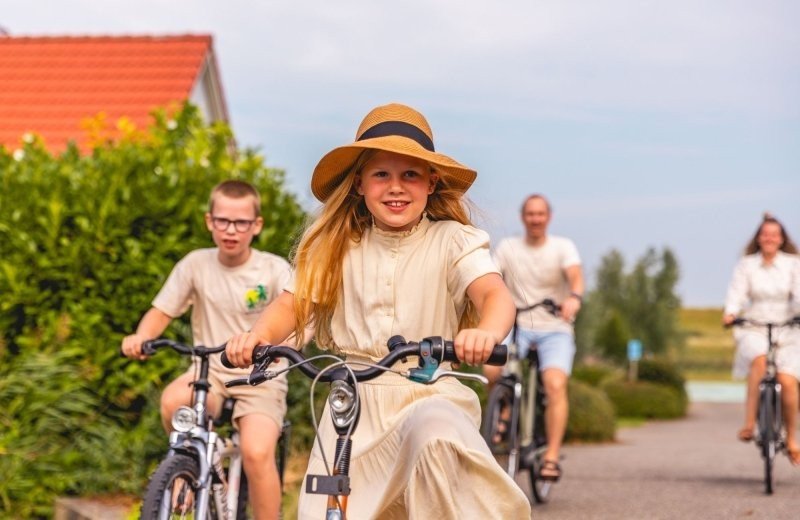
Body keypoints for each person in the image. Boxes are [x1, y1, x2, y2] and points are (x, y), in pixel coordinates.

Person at [225, 103, 531, 518]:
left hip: (429, 391)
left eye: (410, 174)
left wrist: (486, 334)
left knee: (435, 439)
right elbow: (292, 304)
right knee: (321, 511)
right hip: (353, 400)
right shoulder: (332, 245)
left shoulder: (455, 240)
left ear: (431, 183)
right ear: (358, 184)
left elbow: (494, 296)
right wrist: (259, 338)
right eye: (381, 174)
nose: (396, 187)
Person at [121, 180, 290, 520]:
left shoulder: (273, 269)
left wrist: (280, 350)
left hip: (261, 377)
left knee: (256, 452)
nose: (231, 230)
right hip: (209, 373)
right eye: (222, 221)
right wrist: (141, 336)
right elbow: (162, 311)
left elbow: (297, 319)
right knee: (172, 401)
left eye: (241, 222)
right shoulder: (195, 264)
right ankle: (193, 469)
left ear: (256, 226)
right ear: (209, 221)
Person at [483, 193, 584, 482]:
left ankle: (551, 456)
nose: (535, 219)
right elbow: (491, 275)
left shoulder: (563, 247)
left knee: (554, 384)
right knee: (492, 368)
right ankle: (502, 412)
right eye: (530, 214)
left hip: (555, 325)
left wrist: (574, 298)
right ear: (522, 217)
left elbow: (575, 276)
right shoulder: (508, 247)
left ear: (548, 217)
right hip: (516, 325)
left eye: (540, 214)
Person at [723, 213, 800, 464]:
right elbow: (736, 293)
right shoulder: (747, 264)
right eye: (765, 234)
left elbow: (798, 294)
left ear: (781, 239)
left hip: (787, 326)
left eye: (774, 234)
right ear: (758, 237)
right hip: (754, 325)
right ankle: (749, 424)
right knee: (758, 359)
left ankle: (791, 439)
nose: (769, 238)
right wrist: (731, 312)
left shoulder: (793, 263)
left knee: (787, 381)